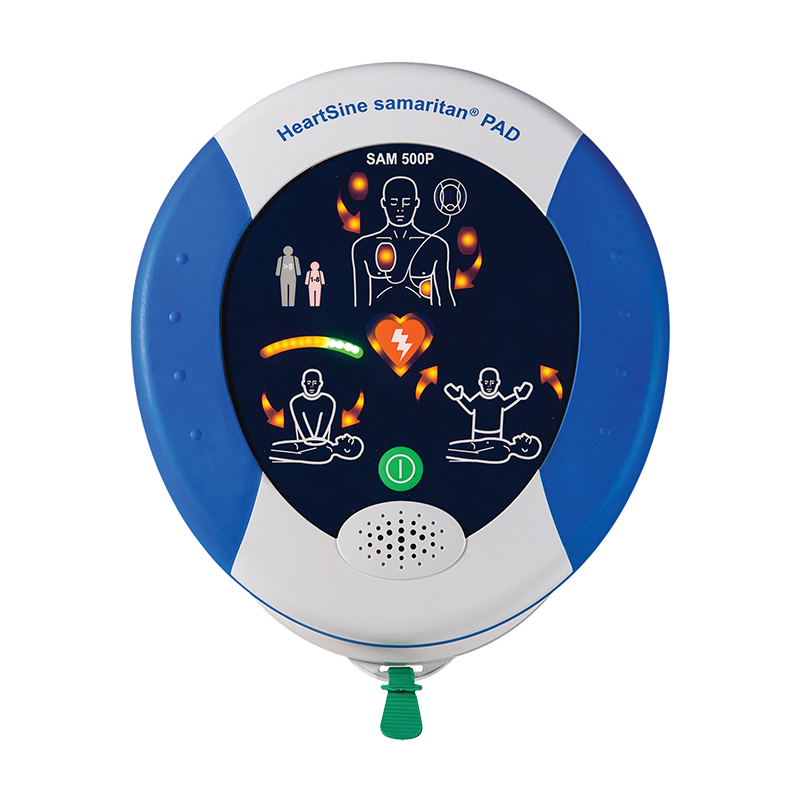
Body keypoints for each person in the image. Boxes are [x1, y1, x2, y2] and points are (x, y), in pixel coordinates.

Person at [351, 176, 455, 307]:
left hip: (425, 318)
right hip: (378, 318)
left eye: (406, 202)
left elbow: (444, 298)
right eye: (394, 202)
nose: (400, 208)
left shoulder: (435, 245)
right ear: (384, 203)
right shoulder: (364, 246)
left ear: (416, 203)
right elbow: (360, 302)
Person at [444, 367, 533, 441]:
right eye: (486, 383)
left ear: (497, 383)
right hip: (478, 433)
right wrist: (459, 397)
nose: (489, 385)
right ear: (480, 383)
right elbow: (470, 407)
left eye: (492, 383)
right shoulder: (478, 398)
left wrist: (518, 397)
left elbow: (506, 403)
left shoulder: (498, 399)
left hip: (496, 433)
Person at [289, 369, 336, 442]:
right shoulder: (296, 402)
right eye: (308, 383)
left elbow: (324, 426)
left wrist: (317, 443)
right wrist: (310, 443)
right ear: (303, 384)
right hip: (302, 445)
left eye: (315, 383)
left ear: (320, 384)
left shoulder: (328, 401)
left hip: (324, 444)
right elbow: (301, 426)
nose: (311, 386)